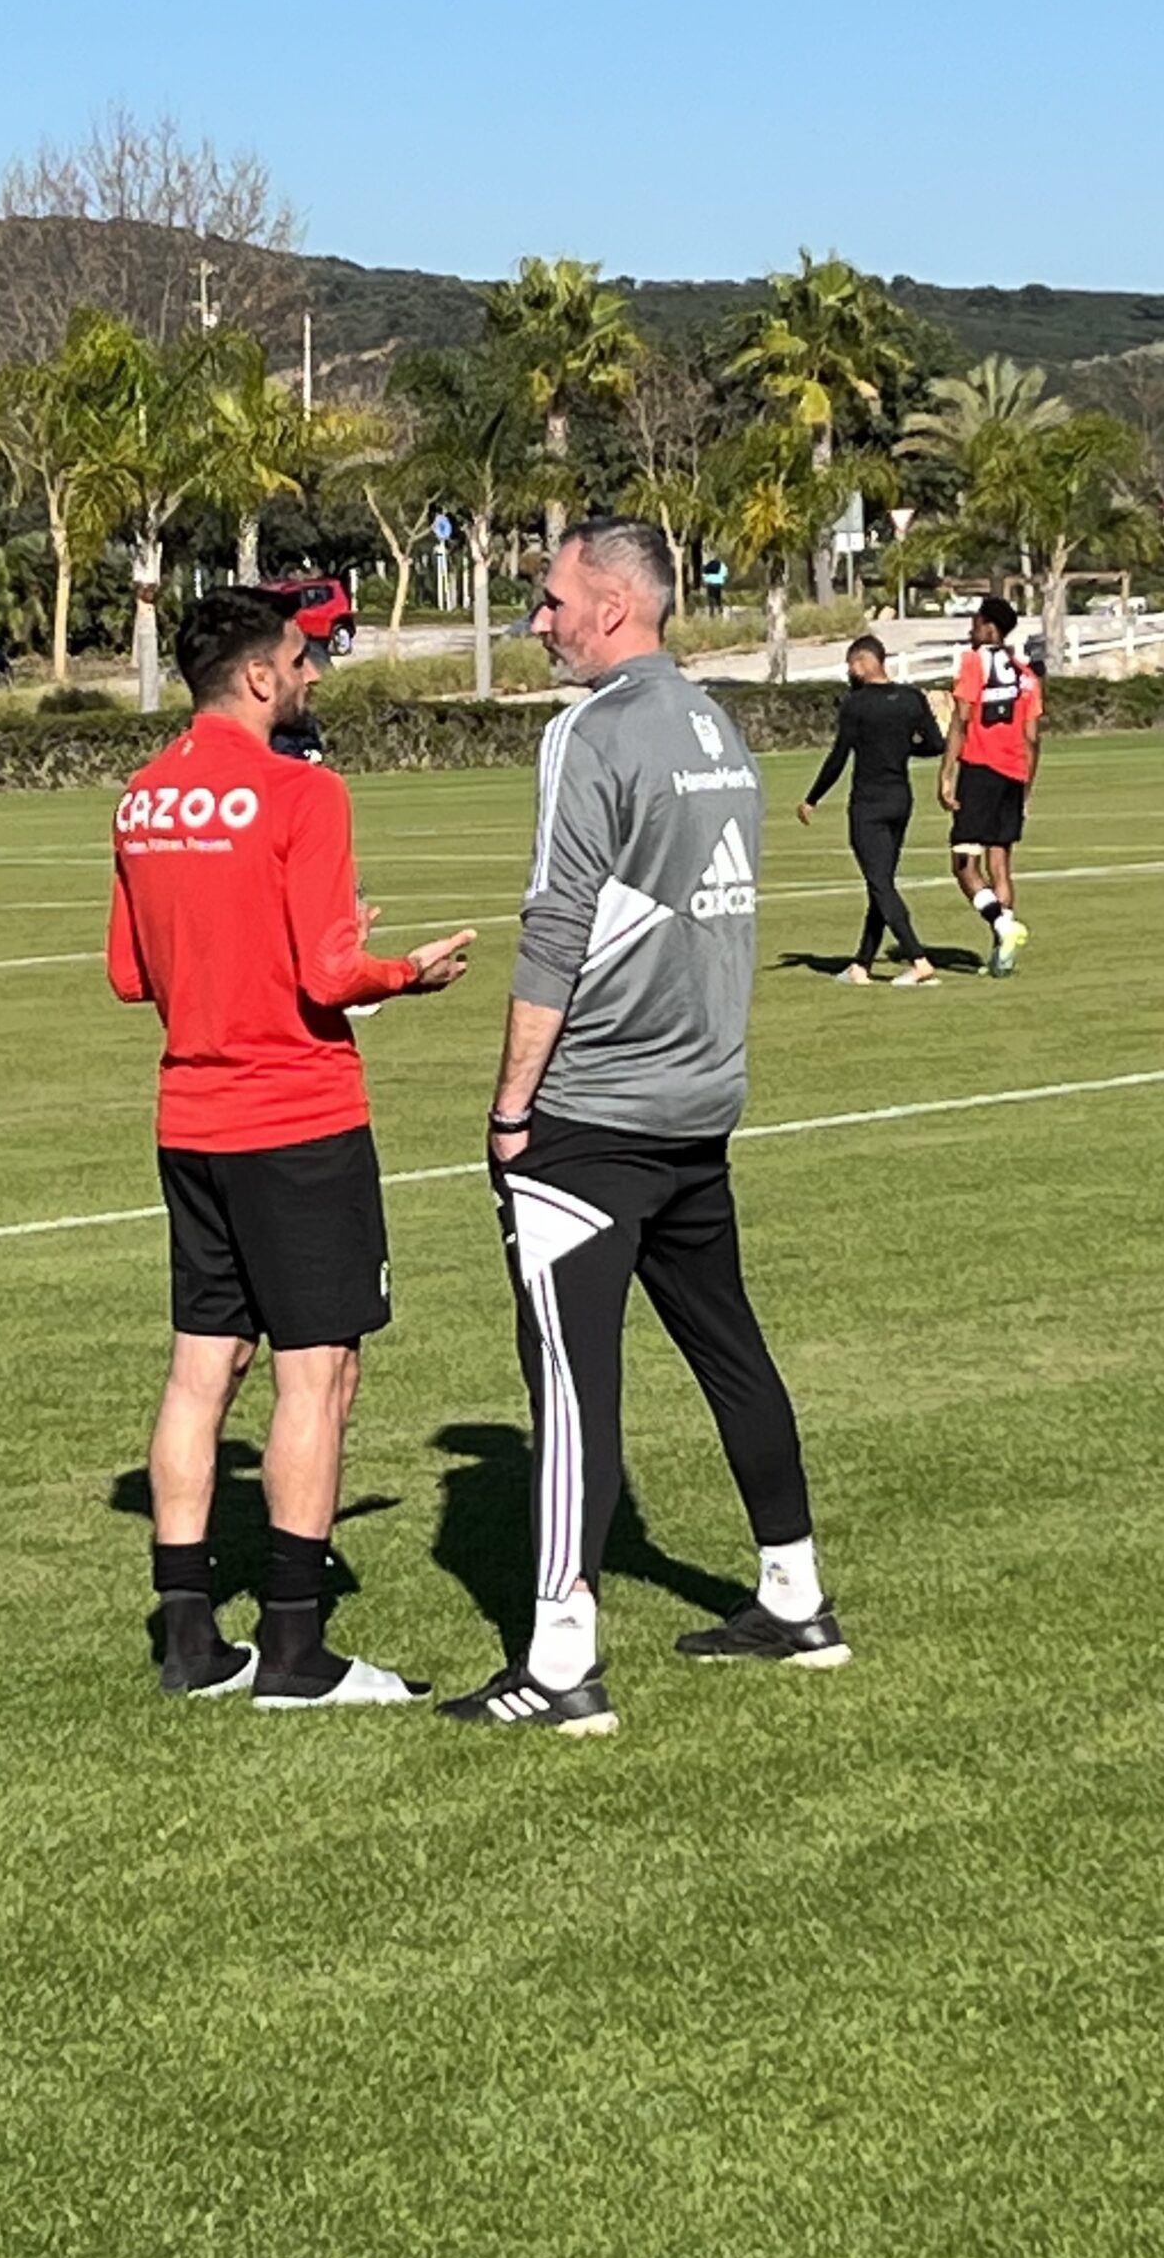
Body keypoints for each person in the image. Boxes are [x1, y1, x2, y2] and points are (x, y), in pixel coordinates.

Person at [438, 520, 848, 1737]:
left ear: (613, 607)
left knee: (569, 1386)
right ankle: (795, 1594)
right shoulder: (717, 726)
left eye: (551, 598)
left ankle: (561, 1664)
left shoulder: (589, 732)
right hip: (700, 1105)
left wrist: (512, 1107)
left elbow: (557, 928)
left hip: (598, 1115)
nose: (539, 619)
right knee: (732, 1350)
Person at [108, 589, 474, 1708]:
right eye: (305, 658)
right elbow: (328, 973)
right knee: (321, 1370)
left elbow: (130, 975)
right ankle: (297, 1650)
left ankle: (187, 1640)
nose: (316, 674)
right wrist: (407, 968)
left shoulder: (142, 798)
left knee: (201, 1365)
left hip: (192, 1120)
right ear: (260, 676)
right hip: (297, 1118)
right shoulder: (302, 791)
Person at [796, 635, 943, 987]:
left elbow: (839, 757)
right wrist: (901, 749)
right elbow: (936, 744)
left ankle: (917, 958)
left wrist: (812, 798)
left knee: (879, 884)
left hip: (869, 804)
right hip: (901, 800)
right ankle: (861, 964)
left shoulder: (856, 705)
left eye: (851, 664)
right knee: (882, 884)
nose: (850, 672)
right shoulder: (911, 698)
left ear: (862, 663)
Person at [939, 597, 1041, 976]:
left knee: (964, 864)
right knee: (1000, 866)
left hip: (980, 770)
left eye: (975, 623)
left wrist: (946, 772)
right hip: (1014, 774)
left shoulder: (973, 662)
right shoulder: (1026, 674)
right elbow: (1033, 738)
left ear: (989, 628)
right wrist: (1026, 787)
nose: (971, 631)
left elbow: (961, 720)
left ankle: (1003, 927)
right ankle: (1003, 956)